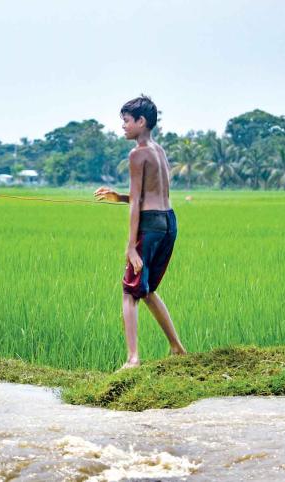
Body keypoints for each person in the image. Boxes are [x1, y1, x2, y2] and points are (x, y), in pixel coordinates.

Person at [94, 95, 187, 369]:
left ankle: (133, 358)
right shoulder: (158, 150)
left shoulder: (137, 154)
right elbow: (149, 194)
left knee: (129, 292)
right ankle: (177, 347)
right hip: (168, 222)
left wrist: (131, 245)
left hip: (149, 226)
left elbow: (138, 202)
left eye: (125, 121)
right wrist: (118, 197)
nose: (122, 126)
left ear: (141, 121)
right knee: (146, 290)